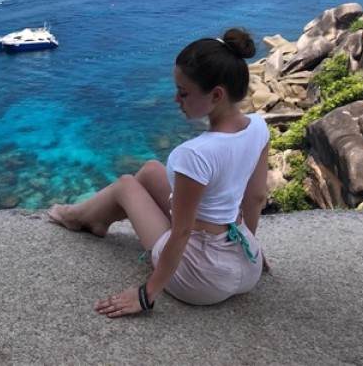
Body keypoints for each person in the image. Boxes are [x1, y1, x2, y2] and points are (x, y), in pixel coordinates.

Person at [48, 27, 270, 318]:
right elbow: (255, 197)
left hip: (202, 278)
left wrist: (146, 295)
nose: (176, 100)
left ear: (216, 94)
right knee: (151, 169)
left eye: (183, 93)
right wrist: (249, 250)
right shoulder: (259, 127)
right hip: (247, 266)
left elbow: (182, 231)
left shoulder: (195, 153)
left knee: (126, 184)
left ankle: (75, 217)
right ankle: (100, 220)